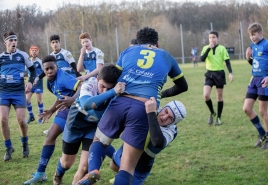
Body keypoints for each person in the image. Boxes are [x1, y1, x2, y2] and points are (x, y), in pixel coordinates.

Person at [76, 27, 188, 185]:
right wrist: (161, 94)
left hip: (120, 101)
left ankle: (93, 170)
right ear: (157, 43)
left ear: (138, 42)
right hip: (143, 108)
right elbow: (183, 86)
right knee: (127, 167)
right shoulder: (166, 56)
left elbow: (114, 77)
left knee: (99, 141)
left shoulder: (128, 51)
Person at [51, 65, 125, 185]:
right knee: (66, 163)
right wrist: (112, 91)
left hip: (92, 128)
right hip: (75, 125)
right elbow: (86, 104)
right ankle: (58, 174)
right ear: (97, 79)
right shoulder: (89, 84)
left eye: (109, 88)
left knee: (85, 167)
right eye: (102, 86)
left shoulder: (115, 90)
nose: (104, 91)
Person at [24, 55, 82, 185]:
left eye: (52, 68)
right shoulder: (49, 83)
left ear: (57, 67)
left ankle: (119, 162)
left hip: (79, 109)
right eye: (47, 69)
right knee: (50, 135)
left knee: (93, 141)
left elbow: (82, 86)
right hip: (66, 109)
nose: (49, 71)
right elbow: (60, 96)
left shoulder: (63, 77)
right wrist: (51, 110)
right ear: (44, 71)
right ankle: (40, 173)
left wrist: (72, 99)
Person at [109, 98, 186, 185]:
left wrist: (151, 113)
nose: (164, 117)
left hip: (139, 168)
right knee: (113, 166)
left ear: (173, 123)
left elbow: (157, 142)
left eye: (170, 118)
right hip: (126, 150)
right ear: (164, 107)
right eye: (166, 111)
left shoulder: (170, 132)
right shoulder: (155, 108)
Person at [0, 31, 36, 161]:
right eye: (11, 40)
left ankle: (25, 144)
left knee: (21, 120)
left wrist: (30, 82)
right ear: (5, 43)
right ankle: (8, 147)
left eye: (15, 40)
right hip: (4, 92)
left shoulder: (22, 55)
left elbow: (32, 70)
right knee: (3, 119)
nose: (13, 42)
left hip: (18, 92)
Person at [200, 30, 233, 125]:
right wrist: (209, 49)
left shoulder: (222, 48)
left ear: (217, 38)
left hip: (219, 74)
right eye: (210, 37)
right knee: (206, 95)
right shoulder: (205, 48)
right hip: (209, 74)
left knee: (219, 96)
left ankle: (218, 118)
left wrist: (230, 73)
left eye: (213, 37)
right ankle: (212, 112)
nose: (212, 39)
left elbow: (227, 62)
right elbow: (202, 59)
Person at [243, 23, 268, 149]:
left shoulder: (266, 44)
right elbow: (256, 64)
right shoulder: (252, 46)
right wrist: (248, 59)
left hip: (265, 80)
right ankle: (262, 134)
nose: (252, 37)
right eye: (250, 35)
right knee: (247, 109)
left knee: (263, 112)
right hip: (254, 80)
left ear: (260, 33)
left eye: (254, 34)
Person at [26, 46, 44, 124]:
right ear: (30, 52)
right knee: (27, 99)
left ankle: (41, 117)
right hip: (30, 84)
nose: (34, 52)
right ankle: (31, 116)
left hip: (38, 83)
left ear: (38, 52)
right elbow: (24, 71)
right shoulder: (28, 61)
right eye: (32, 50)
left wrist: (38, 78)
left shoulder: (40, 61)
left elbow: (44, 72)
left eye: (35, 51)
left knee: (39, 100)